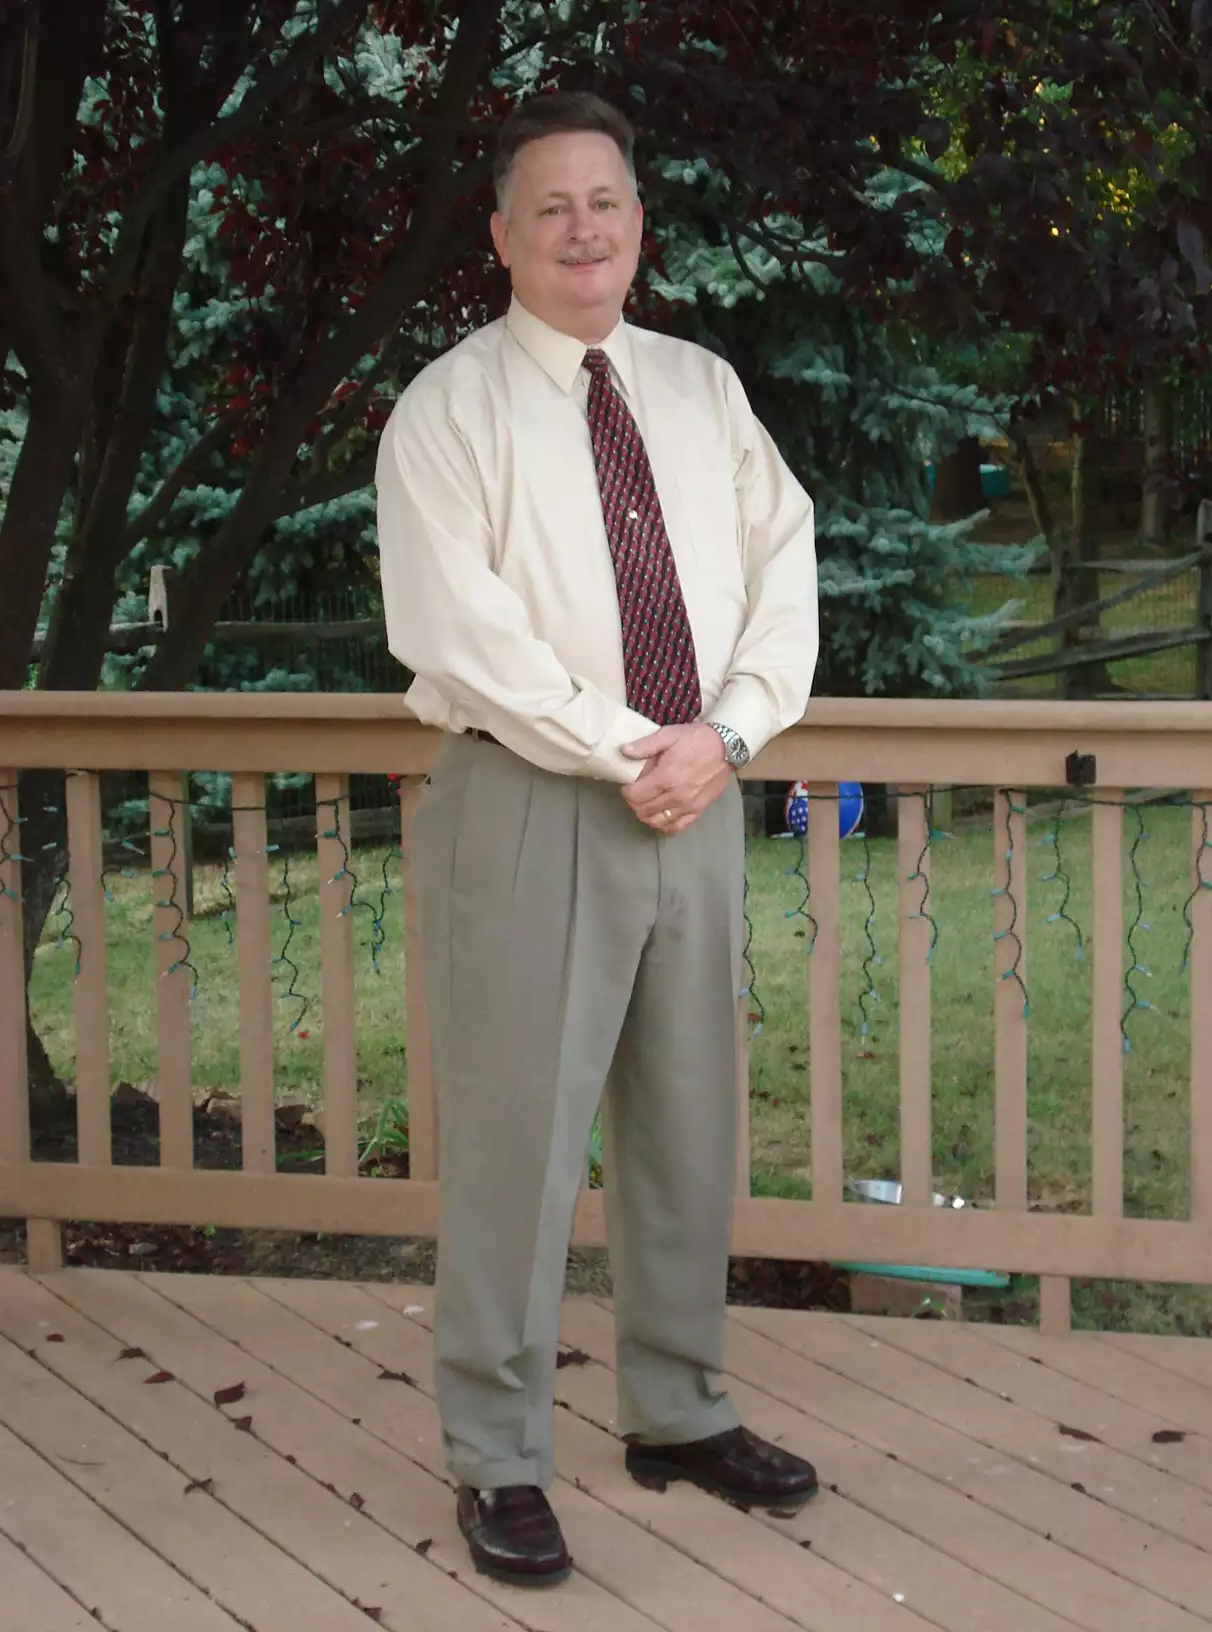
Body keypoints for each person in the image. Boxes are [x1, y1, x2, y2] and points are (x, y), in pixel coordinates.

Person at [376, 90, 820, 1589]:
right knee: (517, 1143)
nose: (584, 229)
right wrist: (640, 747)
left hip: (695, 794)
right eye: (552, 206)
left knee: (686, 1123)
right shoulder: (448, 411)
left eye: (607, 201)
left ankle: (679, 1412)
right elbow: (464, 633)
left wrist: (726, 736)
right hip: (532, 799)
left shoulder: (703, 391)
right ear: (503, 236)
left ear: (640, 224)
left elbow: (783, 571)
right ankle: (498, 1455)